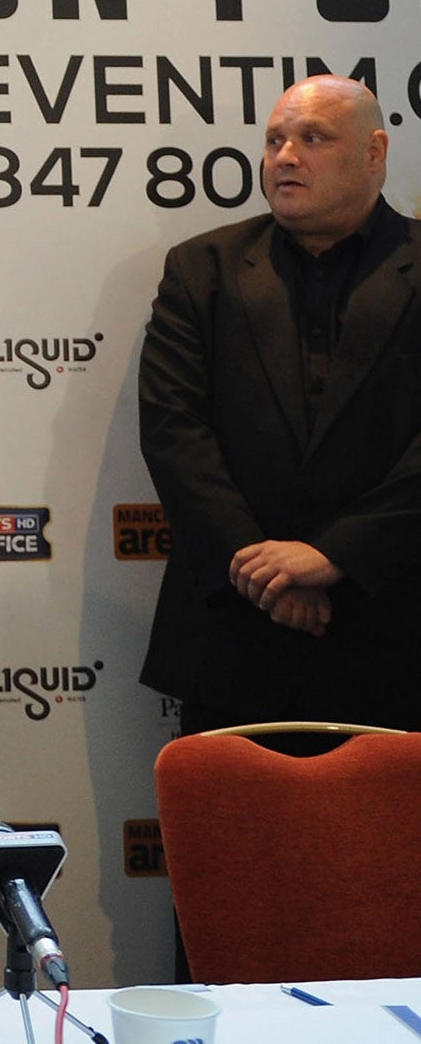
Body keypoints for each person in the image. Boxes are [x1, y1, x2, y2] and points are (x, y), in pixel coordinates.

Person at [140, 74, 421, 734]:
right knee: (235, 839)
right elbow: (174, 431)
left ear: (375, 152)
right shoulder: (200, 268)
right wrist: (264, 570)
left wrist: (339, 556)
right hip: (233, 645)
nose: (285, 157)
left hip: (397, 633)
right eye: (274, 140)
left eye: (313, 138)